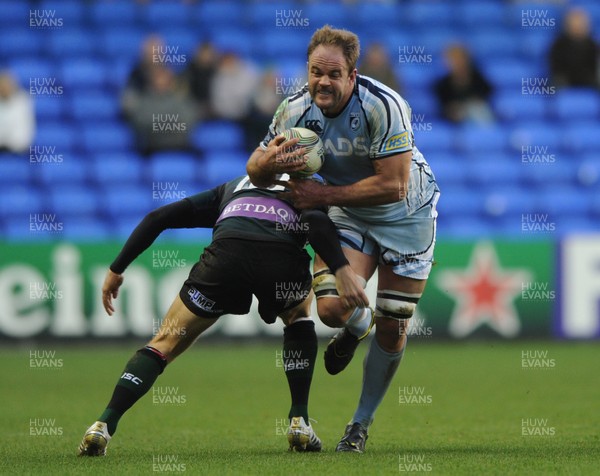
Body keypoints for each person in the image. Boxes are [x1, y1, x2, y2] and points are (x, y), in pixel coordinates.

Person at [246, 25, 440, 453]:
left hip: (407, 214)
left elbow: (394, 185)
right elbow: (255, 165)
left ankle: (359, 425)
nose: (323, 82)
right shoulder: (294, 112)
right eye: (316, 71)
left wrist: (321, 194)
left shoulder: (383, 105)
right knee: (331, 308)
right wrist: (268, 163)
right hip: (351, 212)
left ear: (352, 76)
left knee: (393, 329)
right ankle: (356, 326)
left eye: (334, 74)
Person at [77, 173, 368, 456]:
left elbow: (157, 218)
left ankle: (103, 425)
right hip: (280, 264)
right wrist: (340, 267)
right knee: (297, 317)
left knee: (165, 341)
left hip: (225, 259)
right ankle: (299, 421)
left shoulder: (231, 187)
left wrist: (117, 269)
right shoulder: (310, 189)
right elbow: (317, 223)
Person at [433, 43, 494, 124]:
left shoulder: (479, 80)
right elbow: (442, 107)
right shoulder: (441, 85)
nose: (456, 63)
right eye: (452, 59)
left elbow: (486, 96)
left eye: (459, 58)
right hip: (451, 121)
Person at [549, 7, 598, 88]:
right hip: (565, 79)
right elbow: (556, 69)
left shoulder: (593, 45)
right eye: (574, 23)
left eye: (580, 23)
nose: (577, 26)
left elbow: (594, 68)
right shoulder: (558, 45)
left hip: (588, 79)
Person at [0, 71, 35, 153]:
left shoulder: (23, 101)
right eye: (2, 85)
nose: (4, 87)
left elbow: (25, 132)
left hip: (19, 150)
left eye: (7, 84)